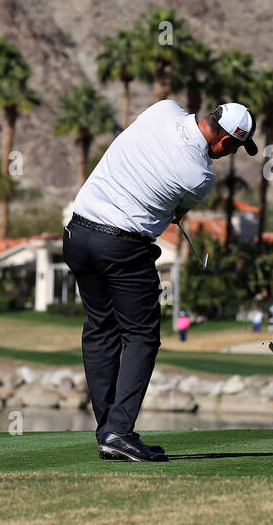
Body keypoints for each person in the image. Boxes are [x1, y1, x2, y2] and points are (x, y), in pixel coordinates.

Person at [65, 99, 257, 463]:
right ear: (226, 142)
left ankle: (109, 431)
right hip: (120, 246)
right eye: (233, 148)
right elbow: (176, 212)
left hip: (77, 234)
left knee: (100, 329)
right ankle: (118, 432)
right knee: (140, 336)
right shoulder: (200, 175)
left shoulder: (163, 109)